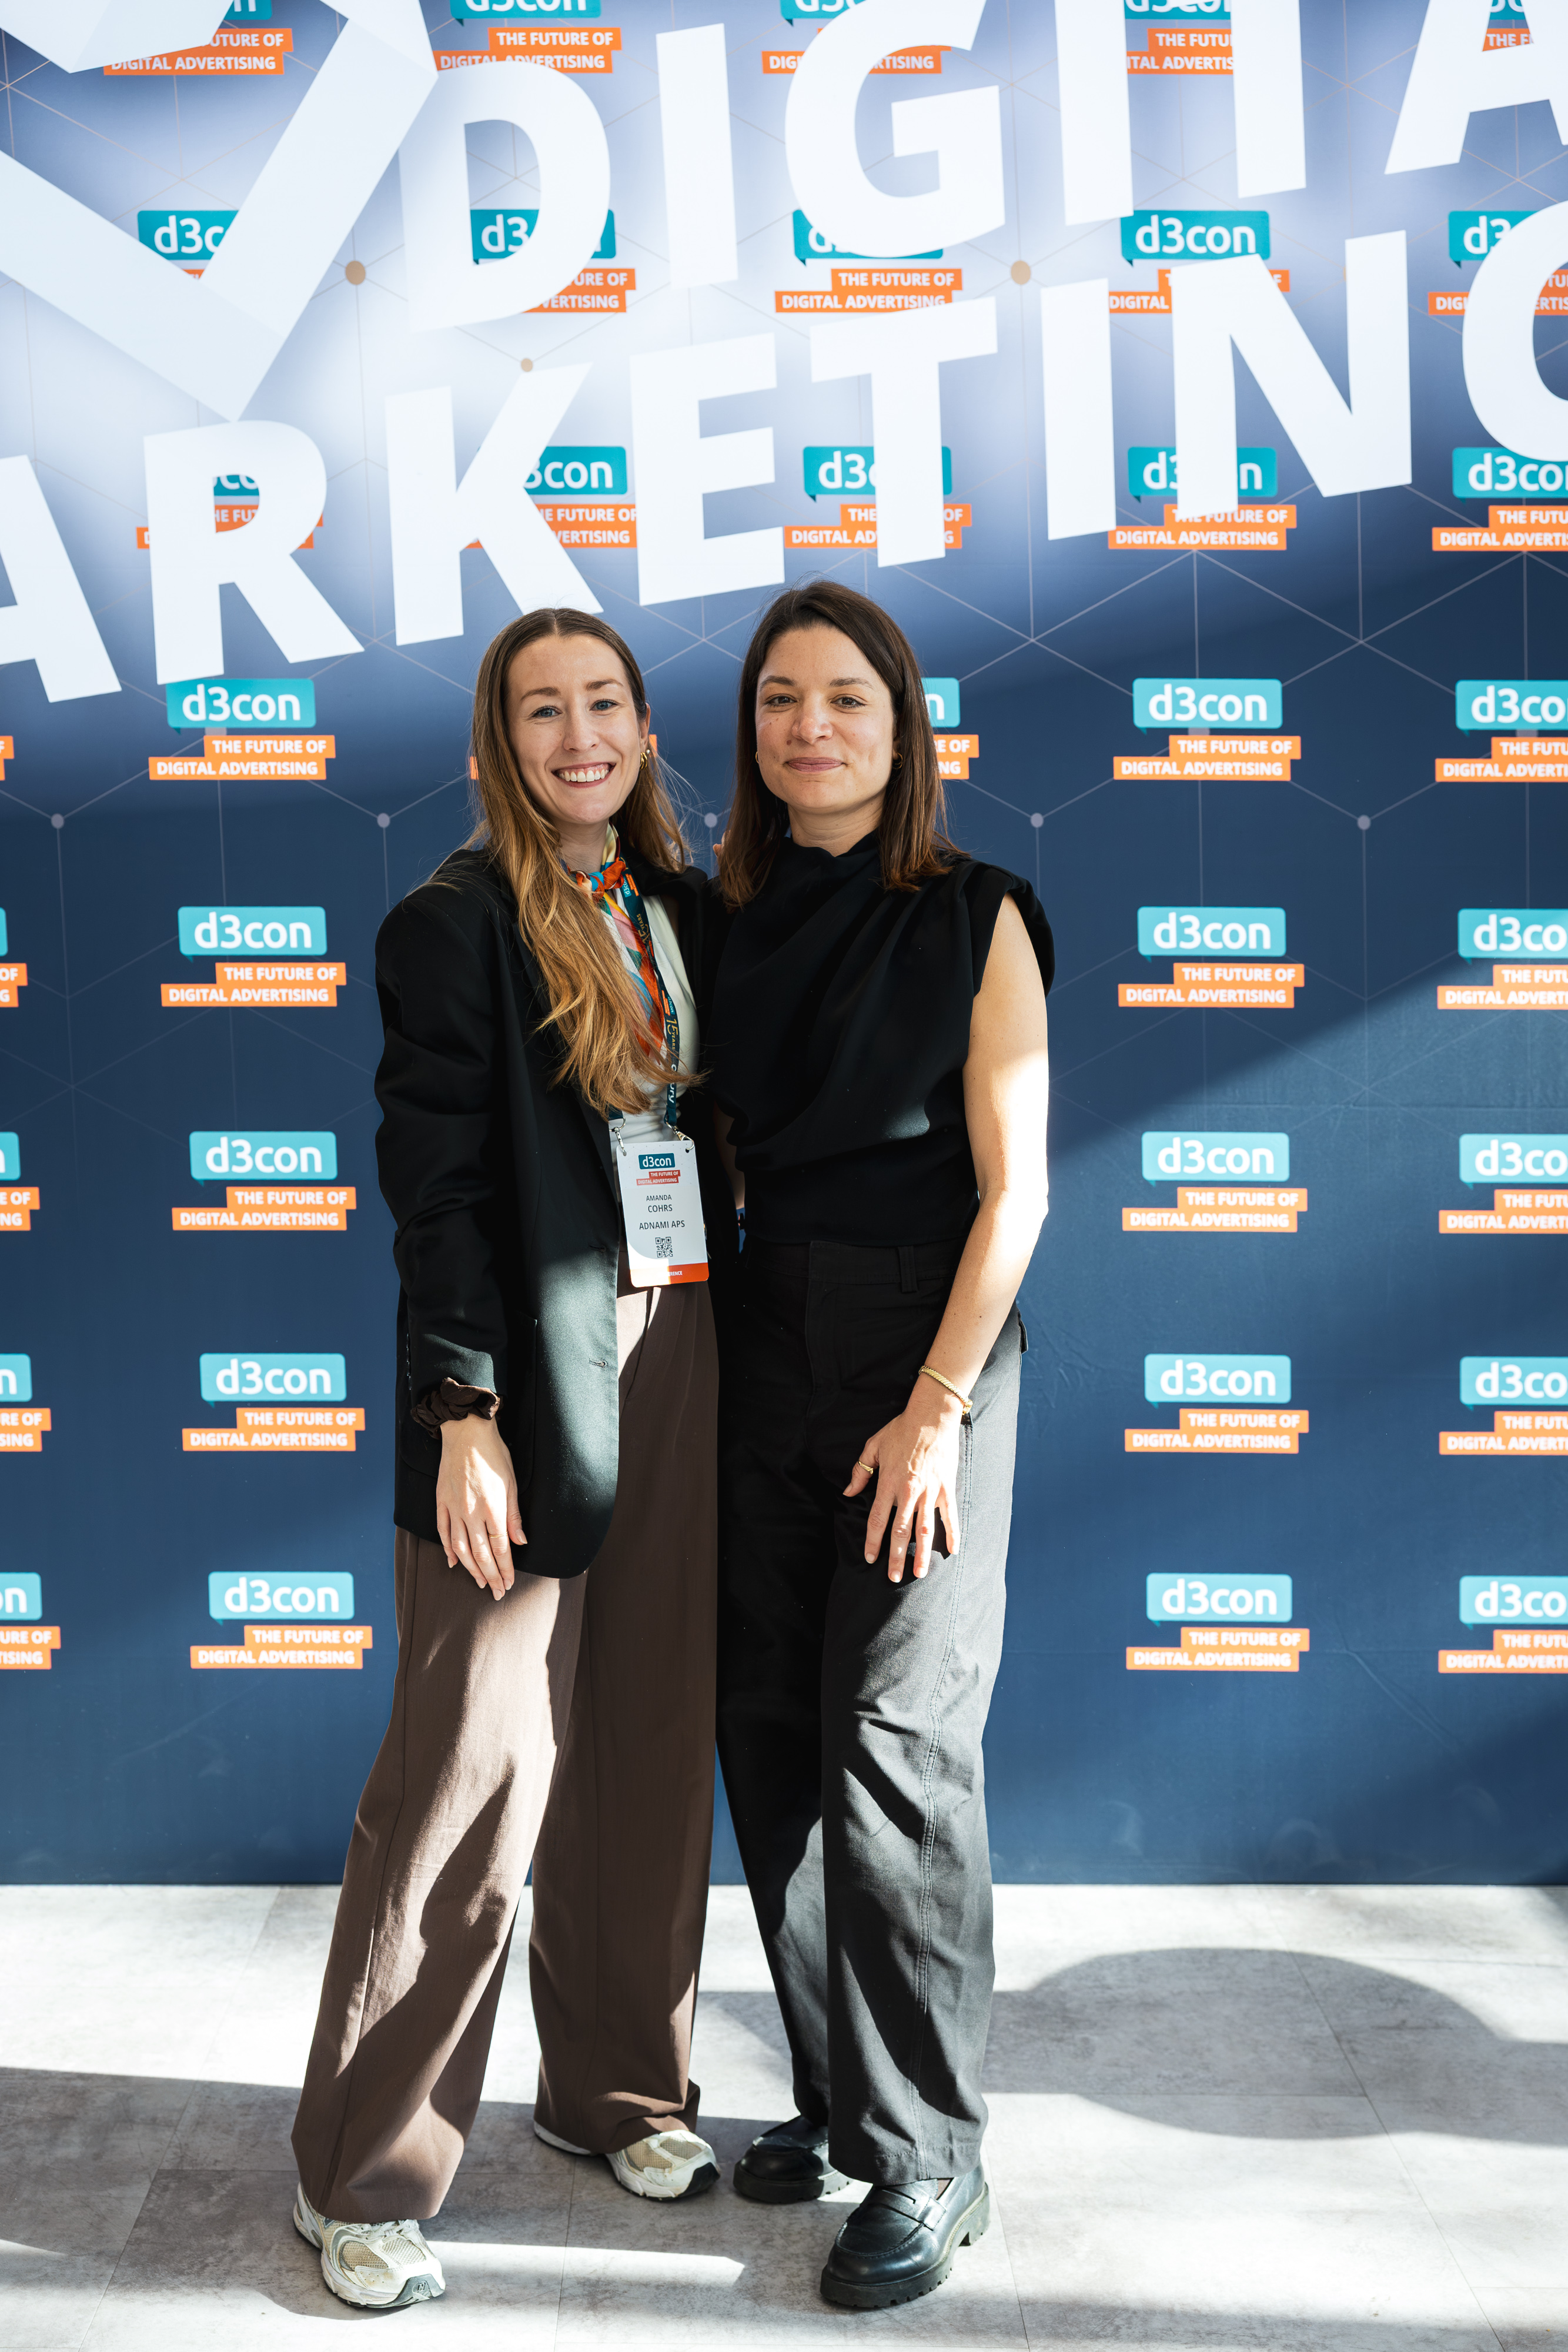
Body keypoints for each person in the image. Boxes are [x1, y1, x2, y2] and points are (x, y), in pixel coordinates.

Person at [289, 609, 735, 2313]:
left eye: (603, 703)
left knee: (646, 1732)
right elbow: (439, 1188)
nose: (578, 736)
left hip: (685, 1338)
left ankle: (617, 2090)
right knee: (472, 1768)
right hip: (530, 1367)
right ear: (498, 742)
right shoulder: (451, 923)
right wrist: (459, 1412)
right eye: (541, 710)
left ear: (643, 727)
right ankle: (362, 2174)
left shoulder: (680, 908)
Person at [707, 581, 1052, 2313]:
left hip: (931, 1344)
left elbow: (1017, 1192)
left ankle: (930, 2157)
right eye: (782, 698)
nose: (812, 726)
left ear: (903, 724)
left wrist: (934, 1408)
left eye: (847, 696)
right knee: (769, 1725)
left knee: (897, 1742)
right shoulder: (710, 919)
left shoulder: (978, 912)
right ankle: (843, 2096)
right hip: (758, 1333)